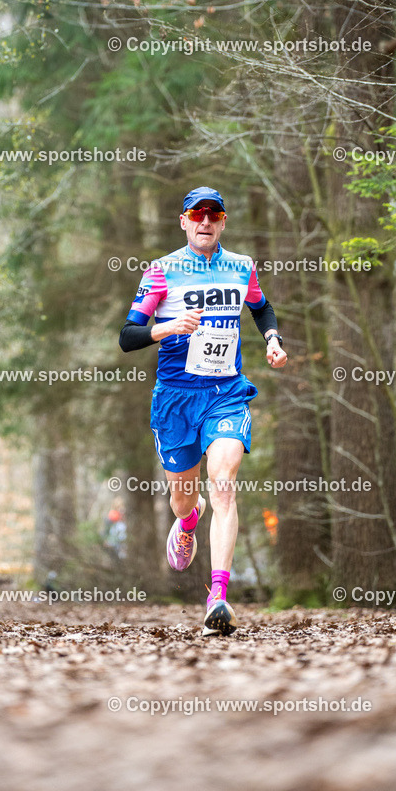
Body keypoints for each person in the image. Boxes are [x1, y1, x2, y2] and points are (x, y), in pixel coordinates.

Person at [119, 187, 287, 637]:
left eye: (214, 215)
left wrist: (272, 340)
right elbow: (127, 336)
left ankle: (218, 597)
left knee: (224, 485)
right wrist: (166, 328)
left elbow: (262, 308)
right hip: (175, 398)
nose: (206, 222)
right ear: (184, 222)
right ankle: (188, 519)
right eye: (197, 215)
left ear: (224, 221)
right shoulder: (161, 271)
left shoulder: (242, 267)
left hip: (225, 393)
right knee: (183, 499)